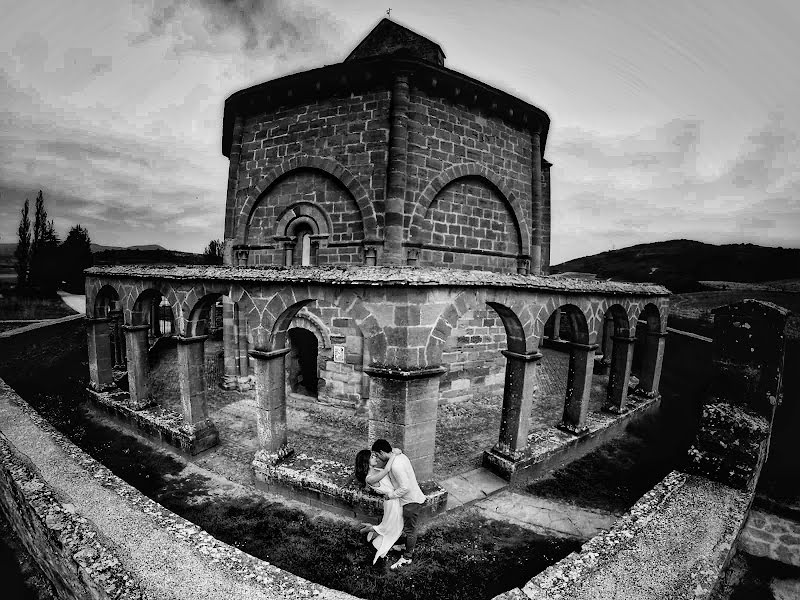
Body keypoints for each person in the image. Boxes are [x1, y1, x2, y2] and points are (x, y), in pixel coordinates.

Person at [371, 438, 426, 570]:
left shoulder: (395, 466)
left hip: (410, 501)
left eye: (377, 455)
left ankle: (407, 557)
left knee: (410, 530)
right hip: (408, 499)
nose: (377, 458)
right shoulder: (399, 456)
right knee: (405, 527)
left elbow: (405, 487)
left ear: (382, 452)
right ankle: (406, 546)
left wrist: (390, 495)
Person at [354, 448, 404, 564]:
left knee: (394, 527)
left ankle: (372, 530)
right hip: (392, 502)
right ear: (366, 462)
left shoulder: (375, 470)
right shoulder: (370, 478)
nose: (375, 458)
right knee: (392, 527)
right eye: (372, 457)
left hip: (393, 499)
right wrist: (393, 455)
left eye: (375, 456)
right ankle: (370, 529)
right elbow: (387, 469)